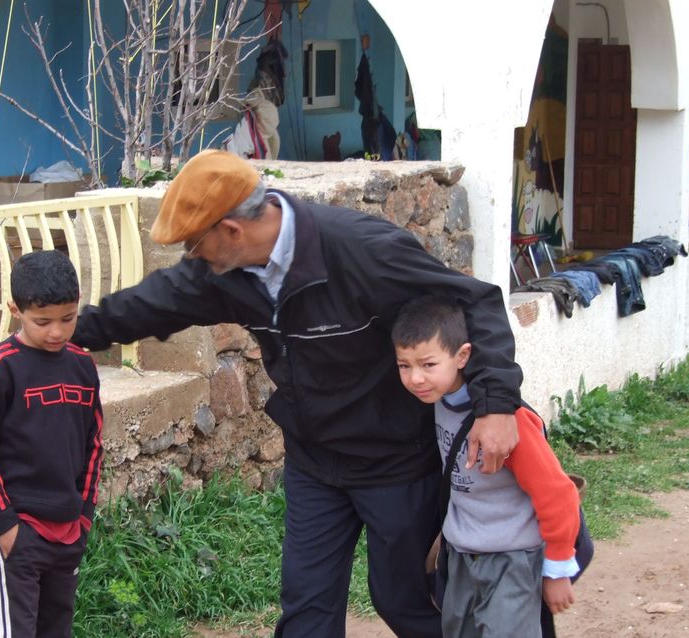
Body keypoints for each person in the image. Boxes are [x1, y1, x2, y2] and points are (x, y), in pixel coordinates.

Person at [71, 149, 522, 637]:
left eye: (195, 243)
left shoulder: (362, 249)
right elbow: (149, 305)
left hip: (394, 461)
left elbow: (476, 302)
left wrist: (495, 405)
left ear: (231, 230)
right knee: (306, 611)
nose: (191, 256)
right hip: (315, 463)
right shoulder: (225, 272)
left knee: (406, 601)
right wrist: (63, 332)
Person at [392, 296, 581, 637]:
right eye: (404, 365)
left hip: (512, 559)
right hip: (463, 557)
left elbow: (558, 494)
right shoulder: (439, 402)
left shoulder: (505, 421)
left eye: (428, 364)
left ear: (462, 356)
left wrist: (556, 571)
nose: (415, 378)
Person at [0, 250, 104, 638]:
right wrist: (5, 526)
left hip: (68, 529)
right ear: (15, 309)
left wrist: (84, 514)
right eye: (43, 321)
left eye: (67, 318)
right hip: (16, 530)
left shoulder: (83, 367)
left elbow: (94, 445)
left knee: (57, 630)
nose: (56, 331)